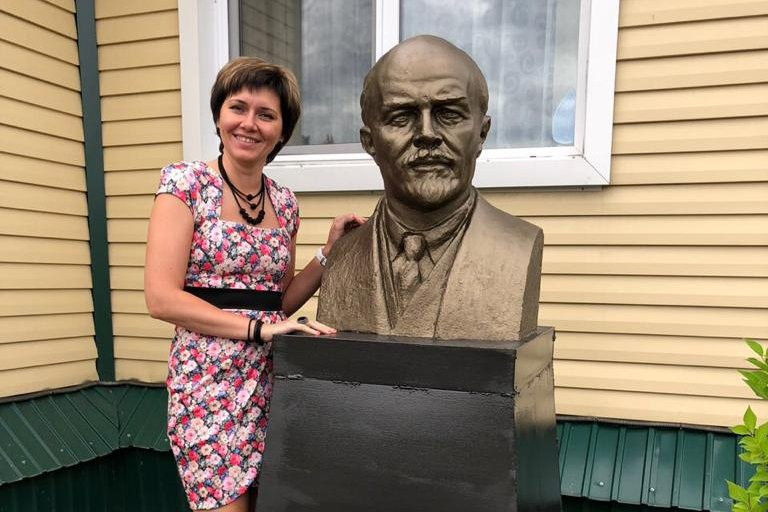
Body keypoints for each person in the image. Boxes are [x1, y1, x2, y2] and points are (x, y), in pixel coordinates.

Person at [144, 57, 364, 512]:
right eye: (238, 108)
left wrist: (329, 253)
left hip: (272, 384)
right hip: (207, 388)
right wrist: (259, 330)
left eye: (266, 114)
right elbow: (161, 298)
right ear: (218, 116)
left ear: (281, 132)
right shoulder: (185, 185)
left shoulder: (284, 203)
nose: (249, 123)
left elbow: (279, 301)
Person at [316, 35, 543, 342]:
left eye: (448, 114)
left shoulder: (517, 246)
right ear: (370, 142)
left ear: (482, 134)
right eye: (401, 117)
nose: (427, 134)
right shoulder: (343, 255)